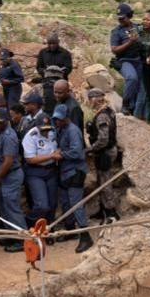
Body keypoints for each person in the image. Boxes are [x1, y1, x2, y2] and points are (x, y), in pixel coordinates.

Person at [52, 103, 93, 253]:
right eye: (55, 119)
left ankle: (85, 236)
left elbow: (77, 152)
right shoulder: (61, 129)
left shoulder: (73, 131)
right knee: (65, 202)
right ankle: (70, 230)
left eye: (59, 119)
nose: (56, 121)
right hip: (65, 172)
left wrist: (61, 154)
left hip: (75, 172)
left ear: (66, 118)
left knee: (76, 204)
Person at [0, 107, 26, 252]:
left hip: (11, 175)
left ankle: (22, 238)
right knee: (4, 207)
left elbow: (8, 161)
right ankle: (12, 234)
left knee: (12, 208)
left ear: (6, 121)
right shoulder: (1, 132)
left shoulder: (9, 136)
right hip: (5, 176)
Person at [86, 88, 121, 225]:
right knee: (102, 180)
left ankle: (111, 213)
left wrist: (90, 149)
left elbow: (103, 139)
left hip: (105, 152)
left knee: (105, 182)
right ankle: (103, 210)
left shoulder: (102, 116)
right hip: (107, 150)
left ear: (94, 99)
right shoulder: (108, 111)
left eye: (90, 98)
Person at [110, 3, 144, 116]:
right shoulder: (116, 31)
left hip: (139, 60)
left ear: (129, 15)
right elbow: (114, 49)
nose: (121, 21)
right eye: (119, 19)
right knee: (132, 78)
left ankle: (135, 111)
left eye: (123, 18)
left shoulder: (138, 27)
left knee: (139, 88)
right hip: (125, 60)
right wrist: (130, 42)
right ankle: (125, 104)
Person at [135, 11, 150, 124]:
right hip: (144, 65)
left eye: (148, 20)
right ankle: (149, 118)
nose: (145, 21)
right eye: (143, 19)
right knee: (148, 92)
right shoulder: (138, 31)